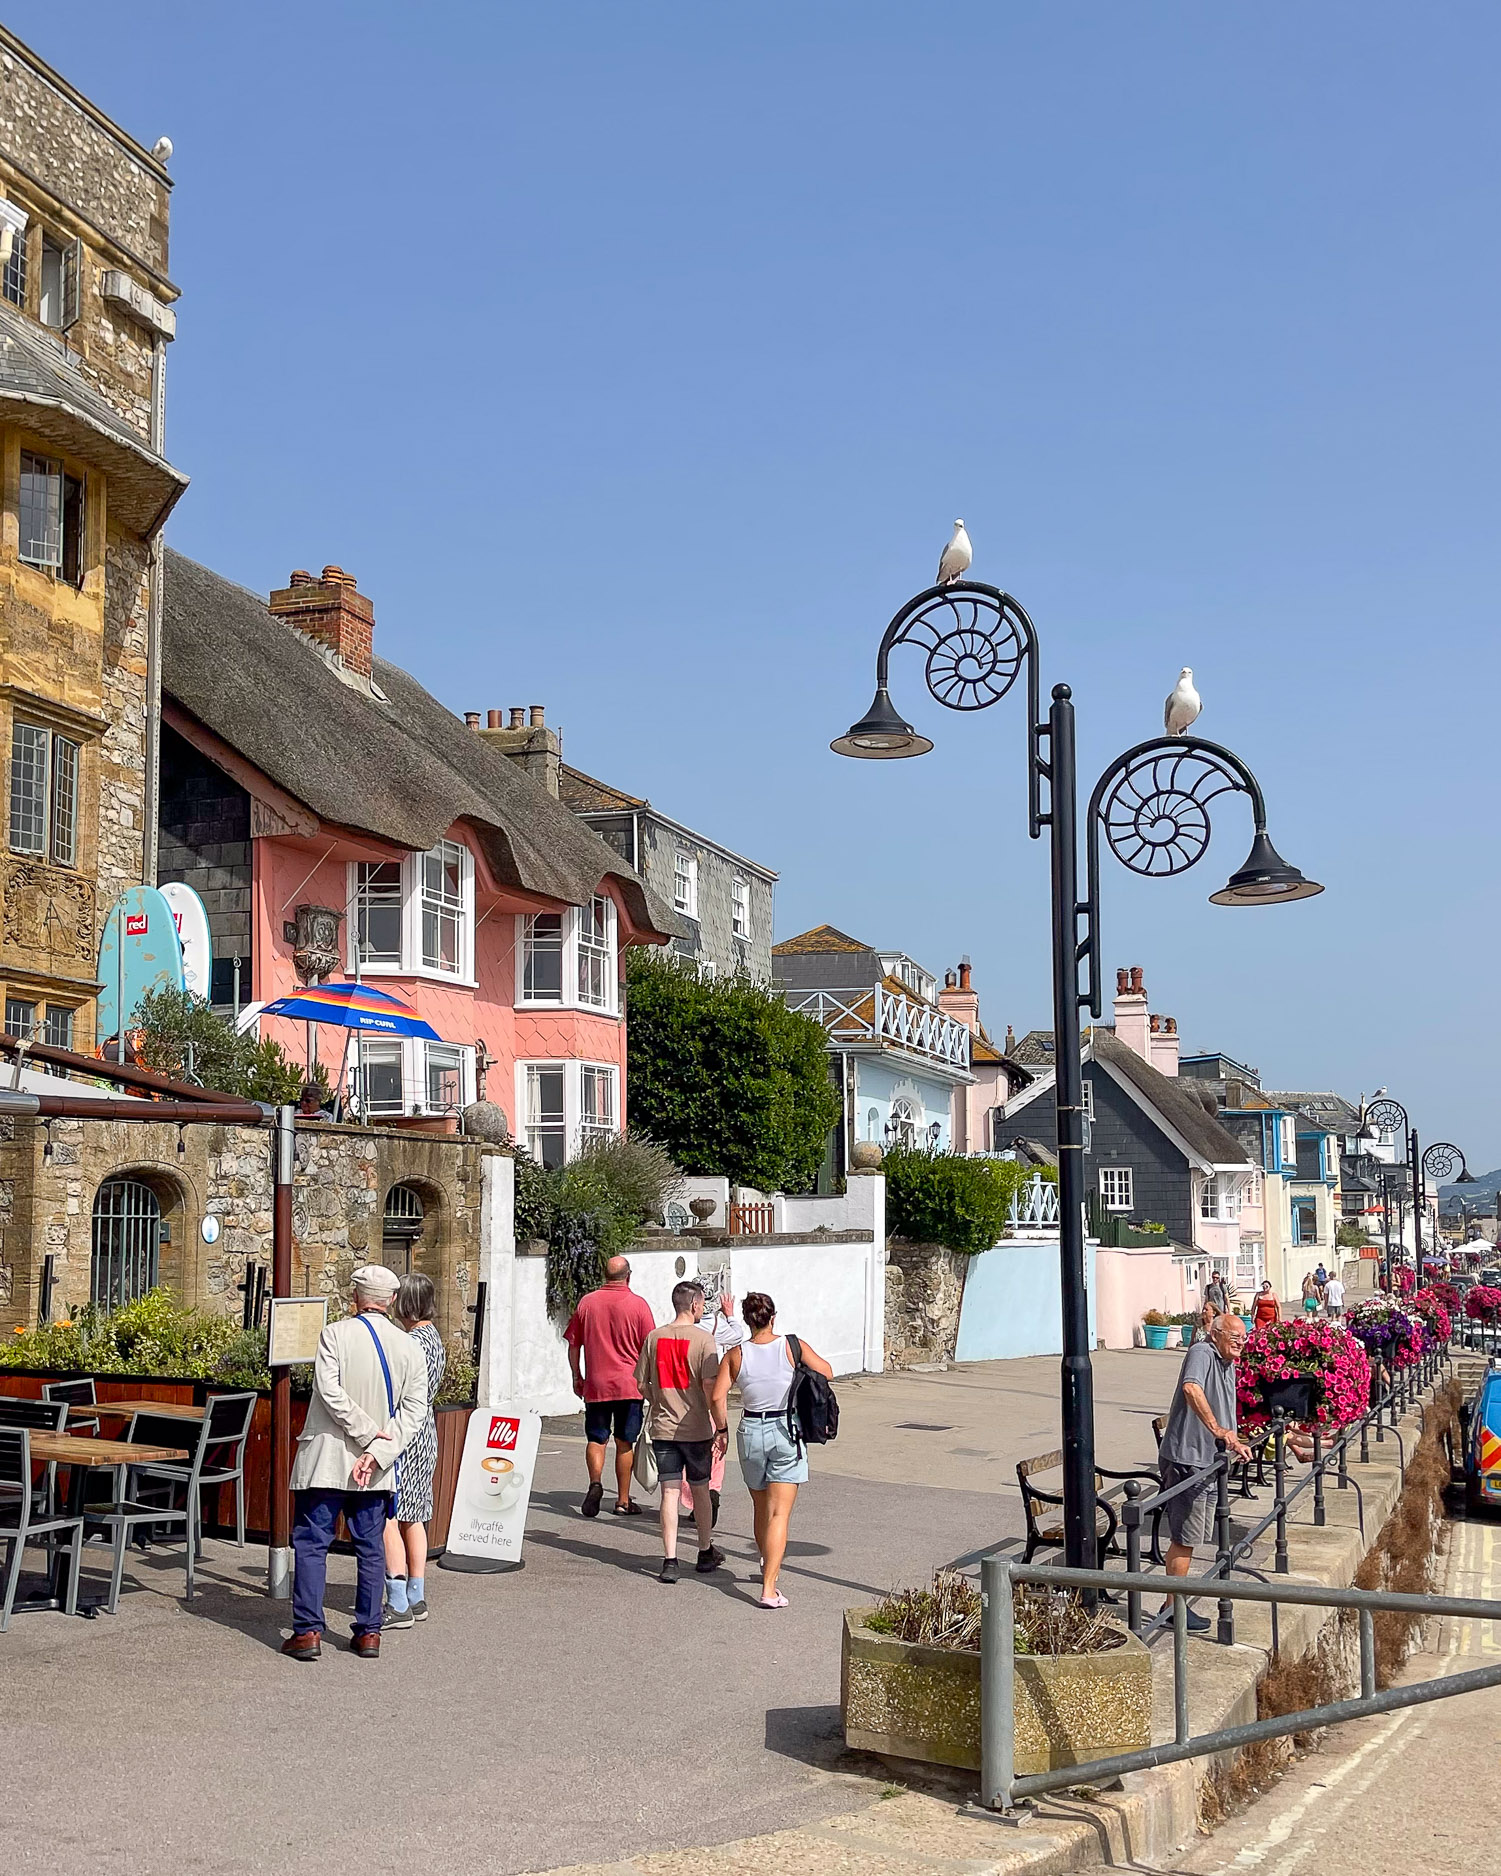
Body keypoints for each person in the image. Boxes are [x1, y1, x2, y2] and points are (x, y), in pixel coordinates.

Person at [282, 1265, 429, 1662]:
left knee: (312, 1544)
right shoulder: (408, 1347)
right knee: (370, 1547)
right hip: (376, 1467)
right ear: (392, 1301)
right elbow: (414, 1412)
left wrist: (366, 1437)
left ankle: (308, 1631)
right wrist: (378, 1450)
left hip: (327, 1458)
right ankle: (368, 1633)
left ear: (356, 1297)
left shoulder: (334, 1334)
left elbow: (328, 1392)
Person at [711, 1290, 833, 1609]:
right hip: (785, 1429)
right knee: (780, 1513)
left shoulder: (736, 1354)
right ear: (772, 1318)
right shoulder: (792, 1346)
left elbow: (716, 1396)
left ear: (748, 1321)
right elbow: (827, 1371)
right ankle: (769, 1588)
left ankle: (767, 1562)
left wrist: (721, 1430)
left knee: (760, 1506)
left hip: (750, 1430)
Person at [1155, 1312, 1252, 1632]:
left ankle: (1173, 1604)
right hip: (1188, 1460)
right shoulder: (1202, 1351)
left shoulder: (1228, 1361)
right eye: (1234, 1337)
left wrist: (1233, 1439)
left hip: (1207, 1461)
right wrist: (1218, 1430)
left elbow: (1222, 1404)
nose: (1241, 1343)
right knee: (1185, 1539)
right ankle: (1174, 1610)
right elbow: (1191, 1388)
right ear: (1216, 1334)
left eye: (1244, 1337)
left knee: (1192, 1537)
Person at [634, 1281, 727, 1583]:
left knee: (669, 1492)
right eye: (701, 1304)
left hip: (663, 1427)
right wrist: (720, 1425)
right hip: (696, 1427)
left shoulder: (654, 1337)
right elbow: (711, 1387)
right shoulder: (704, 1341)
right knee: (700, 1489)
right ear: (695, 1305)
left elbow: (641, 1383)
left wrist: (659, 1400)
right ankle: (704, 1550)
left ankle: (670, 1559)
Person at [564, 1255, 657, 1517]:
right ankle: (623, 1500)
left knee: (596, 1438)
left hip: (597, 1384)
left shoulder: (587, 1303)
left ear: (604, 1275)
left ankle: (595, 1483)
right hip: (630, 1385)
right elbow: (648, 1348)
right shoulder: (638, 1306)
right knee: (625, 1441)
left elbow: (574, 1345)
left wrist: (577, 1376)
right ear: (629, 1275)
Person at [382, 1272, 446, 1628]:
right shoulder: (433, 1338)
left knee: (389, 1513)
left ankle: (397, 1600)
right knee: (415, 1515)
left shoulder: (410, 1343)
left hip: (407, 1432)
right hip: (427, 1430)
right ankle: (417, 1595)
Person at [677, 1291, 746, 1529]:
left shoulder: (681, 1328)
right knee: (717, 1447)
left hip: (686, 1396)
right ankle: (713, 1489)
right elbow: (738, 1334)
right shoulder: (718, 1326)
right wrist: (730, 1315)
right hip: (714, 1393)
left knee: (689, 1450)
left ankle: (695, 1500)